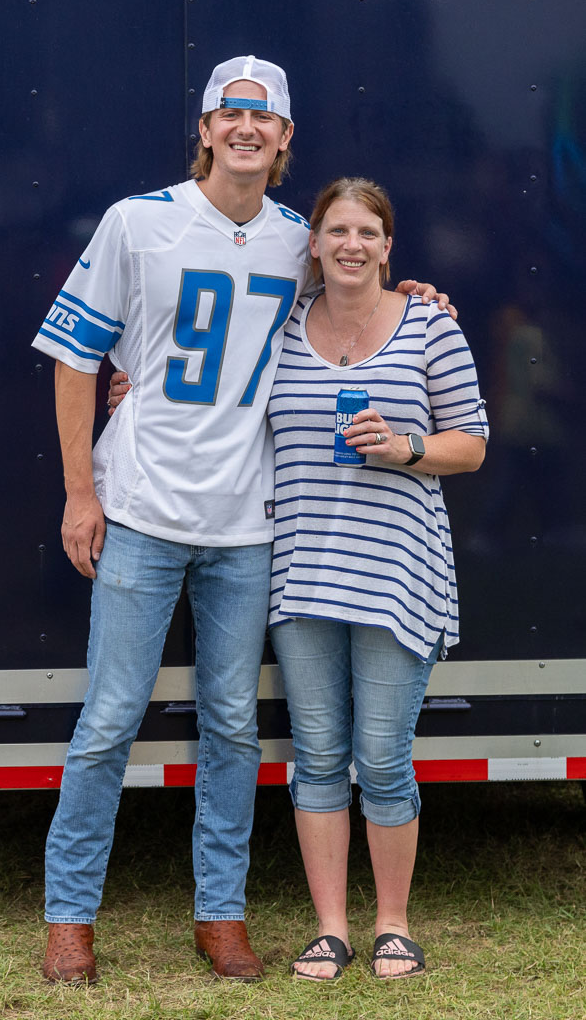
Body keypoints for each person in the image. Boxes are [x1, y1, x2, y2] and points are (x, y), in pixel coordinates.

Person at [35, 54, 450, 986]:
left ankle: (219, 913)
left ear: (285, 136)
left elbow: (356, 292)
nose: (246, 128)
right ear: (207, 127)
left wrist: (418, 295)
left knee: (230, 726)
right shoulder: (138, 222)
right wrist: (79, 491)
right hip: (141, 507)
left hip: (248, 524)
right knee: (109, 718)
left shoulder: (298, 241)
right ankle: (70, 916)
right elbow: (75, 356)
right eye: (231, 113)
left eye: (264, 118)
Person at [267, 178, 488, 981]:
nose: (351, 245)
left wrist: (405, 448)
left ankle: (392, 924)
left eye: (367, 232)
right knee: (318, 758)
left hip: (397, 575)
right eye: (336, 230)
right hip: (300, 576)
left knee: (384, 758)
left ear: (388, 246)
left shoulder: (429, 323)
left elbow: (472, 443)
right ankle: (330, 930)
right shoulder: (279, 326)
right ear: (314, 243)